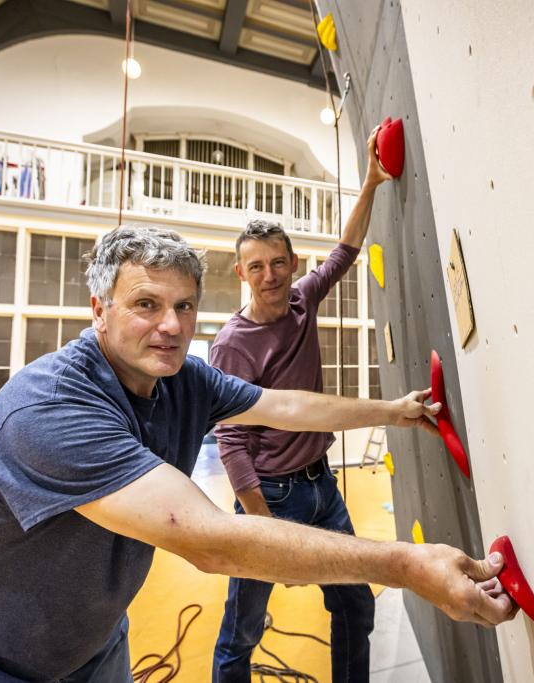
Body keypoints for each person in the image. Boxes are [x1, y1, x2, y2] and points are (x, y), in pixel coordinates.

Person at [0, 226, 516, 682]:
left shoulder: (183, 379)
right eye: (146, 304)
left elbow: (286, 407)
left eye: (184, 306)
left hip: (91, 638)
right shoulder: (48, 411)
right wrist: (409, 566)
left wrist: (397, 412)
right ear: (99, 310)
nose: (170, 325)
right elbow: (208, 540)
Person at [210, 128, 395, 682]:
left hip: (321, 488)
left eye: (278, 262)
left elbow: (345, 252)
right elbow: (231, 441)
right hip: (271, 496)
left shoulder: (300, 301)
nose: (270, 275)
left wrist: (370, 182)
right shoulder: (231, 346)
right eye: (256, 266)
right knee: (242, 629)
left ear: (291, 263)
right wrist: (265, 530)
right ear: (240, 272)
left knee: (355, 604)